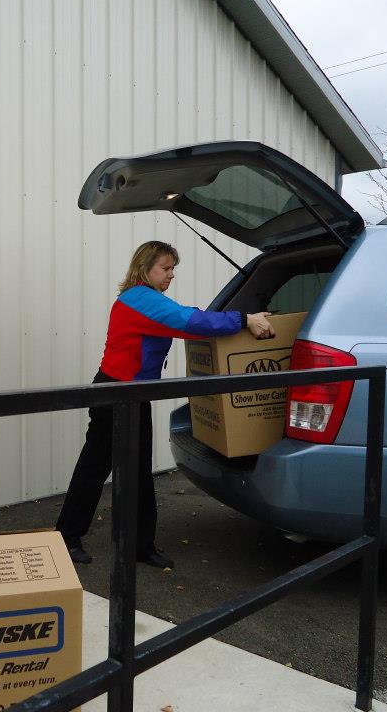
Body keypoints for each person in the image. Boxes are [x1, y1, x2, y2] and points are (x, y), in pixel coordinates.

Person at [55, 240, 274, 568]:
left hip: (133, 394)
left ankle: (139, 546)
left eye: (173, 268)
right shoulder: (139, 299)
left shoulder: (147, 299)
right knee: (95, 467)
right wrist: (244, 320)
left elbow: (188, 318)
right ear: (145, 268)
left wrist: (235, 321)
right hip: (115, 394)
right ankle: (67, 539)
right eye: (166, 268)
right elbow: (187, 321)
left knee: (137, 470)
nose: (171, 274)